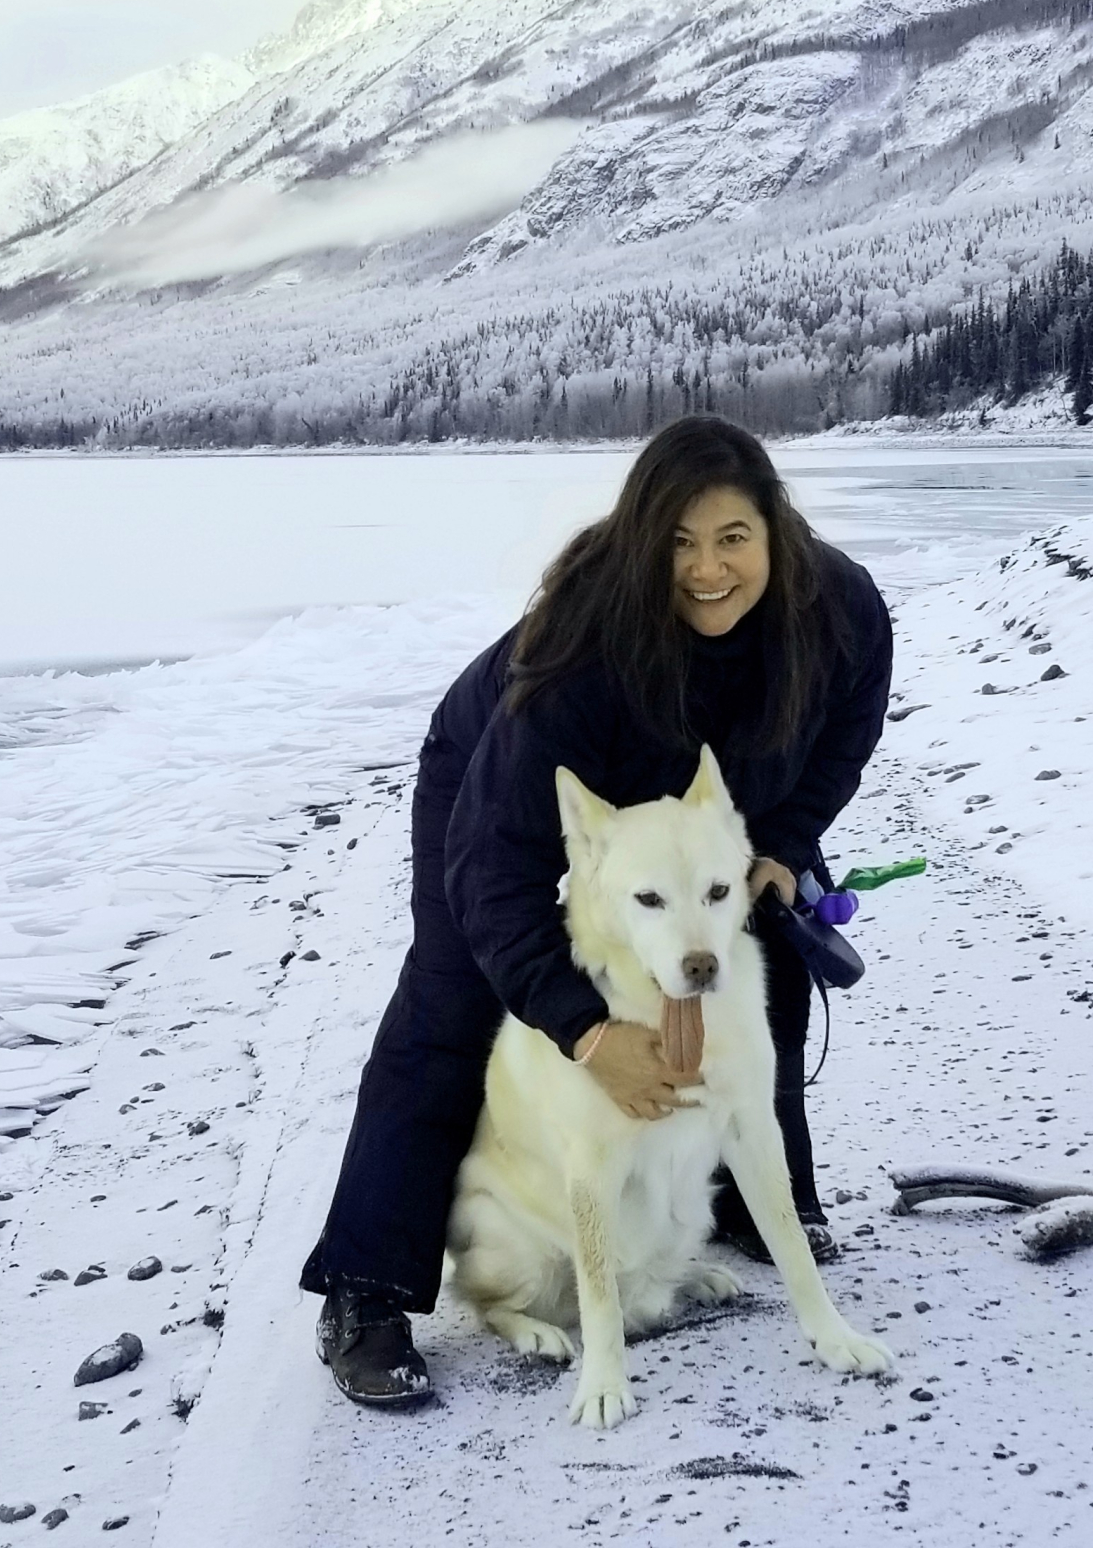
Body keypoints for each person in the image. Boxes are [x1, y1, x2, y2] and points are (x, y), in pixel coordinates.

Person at [300, 416, 893, 1409]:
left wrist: (784, 848)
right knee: (457, 1002)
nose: (707, 570)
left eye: (733, 539)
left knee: (756, 971)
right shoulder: (580, 648)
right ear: (639, 539)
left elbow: (846, 730)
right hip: (505, 785)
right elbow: (493, 876)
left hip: (701, 793)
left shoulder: (839, 607)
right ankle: (367, 1289)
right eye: (677, 543)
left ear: (776, 531)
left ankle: (759, 1201)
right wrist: (582, 1029)